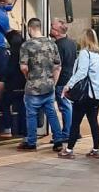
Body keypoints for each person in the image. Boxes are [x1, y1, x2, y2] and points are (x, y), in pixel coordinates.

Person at [17, 18, 65, 152]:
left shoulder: (27, 45)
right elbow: (58, 66)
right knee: (51, 113)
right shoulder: (52, 44)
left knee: (31, 114)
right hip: (49, 85)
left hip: (33, 87)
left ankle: (31, 142)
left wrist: (28, 78)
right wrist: (53, 82)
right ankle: (58, 141)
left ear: (30, 29)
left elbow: (23, 67)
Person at [59, 29, 99, 159]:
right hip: (97, 95)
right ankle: (95, 149)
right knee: (93, 121)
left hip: (85, 95)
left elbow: (81, 73)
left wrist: (68, 85)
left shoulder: (85, 53)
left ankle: (68, 150)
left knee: (75, 122)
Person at [50, 18, 76, 143]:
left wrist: (54, 82)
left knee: (65, 107)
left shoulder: (57, 46)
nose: (49, 29)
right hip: (70, 77)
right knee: (68, 106)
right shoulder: (72, 43)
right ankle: (71, 131)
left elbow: (56, 65)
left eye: (51, 27)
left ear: (56, 32)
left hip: (61, 80)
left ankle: (67, 133)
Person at [1, 30, 27, 137]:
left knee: (4, 104)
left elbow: (7, 70)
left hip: (11, 86)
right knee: (22, 107)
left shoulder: (8, 54)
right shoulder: (25, 51)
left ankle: (7, 128)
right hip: (23, 85)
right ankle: (23, 131)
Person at [0, 0, 14, 124]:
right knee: (2, 77)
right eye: (9, 4)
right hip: (0, 46)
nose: (10, 7)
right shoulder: (0, 14)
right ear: (2, 2)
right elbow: (9, 32)